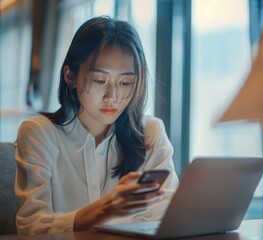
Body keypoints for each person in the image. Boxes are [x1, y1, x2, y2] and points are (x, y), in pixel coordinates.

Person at [14, 16, 179, 235]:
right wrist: (106, 209)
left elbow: (168, 216)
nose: (113, 96)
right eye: (99, 81)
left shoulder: (151, 133)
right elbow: (32, 227)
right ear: (70, 76)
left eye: (125, 83)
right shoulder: (39, 134)